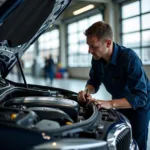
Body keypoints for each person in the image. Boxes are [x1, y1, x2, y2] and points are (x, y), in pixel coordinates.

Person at [77, 21, 150, 150]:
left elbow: (140, 97)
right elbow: (94, 81)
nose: (89, 51)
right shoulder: (97, 59)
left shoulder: (129, 58)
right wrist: (86, 91)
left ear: (108, 43)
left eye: (93, 46)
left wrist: (110, 103)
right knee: (120, 140)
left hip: (139, 107)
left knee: (137, 143)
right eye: (88, 46)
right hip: (119, 102)